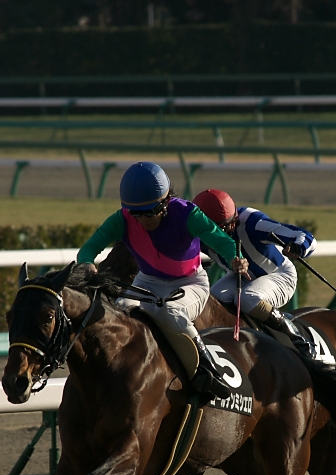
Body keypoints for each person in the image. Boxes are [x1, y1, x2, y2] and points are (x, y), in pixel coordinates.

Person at [76, 162, 249, 399]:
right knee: (120, 311)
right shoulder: (122, 219)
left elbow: (223, 242)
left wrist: (234, 259)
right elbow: (89, 248)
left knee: (171, 312)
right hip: (147, 281)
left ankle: (207, 370)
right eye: (137, 214)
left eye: (150, 212)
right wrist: (86, 262)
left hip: (189, 282)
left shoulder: (188, 214)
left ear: (166, 201)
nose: (143, 220)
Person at [191, 189, 319, 361]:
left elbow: (304, 236)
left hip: (279, 275)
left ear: (234, 219)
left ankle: (297, 339)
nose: (217, 236)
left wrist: (298, 247)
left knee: (247, 298)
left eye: (222, 228)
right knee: (210, 301)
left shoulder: (252, 221)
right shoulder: (196, 230)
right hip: (241, 278)